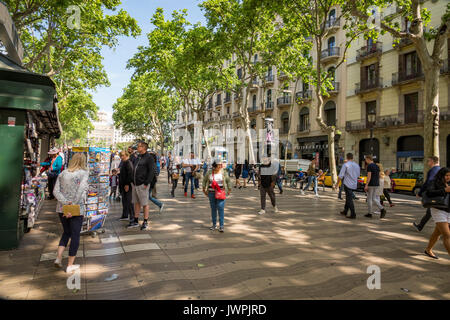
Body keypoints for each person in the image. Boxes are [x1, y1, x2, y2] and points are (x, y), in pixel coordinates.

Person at [52, 153, 89, 273]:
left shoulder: (63, 173)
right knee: (75, 235)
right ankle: (70, 265)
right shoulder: (84, 173)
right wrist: (72, 205)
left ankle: (58, 258)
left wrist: (65, 204)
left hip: (62, 208)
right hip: (76, 209)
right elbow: (80, 190)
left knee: (66, 233)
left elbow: (55, 191)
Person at [423, 167, 450, 259]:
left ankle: (428, 249)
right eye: (446, 175)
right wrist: (444, 190)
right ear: (441, 175)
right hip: (438, 209)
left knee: (437, 233)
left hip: (448, 210)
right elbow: (429, 193)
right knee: (447, 235)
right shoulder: (434, 182)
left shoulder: (448, 183)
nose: (448, 177)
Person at [128, 141, 155, 230]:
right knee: (136, 203)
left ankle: (145, 221)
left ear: (143, 148)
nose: (137, 148)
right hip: (135, 184)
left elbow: (151, 171)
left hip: (143, 184)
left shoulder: (149, 158)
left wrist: (146, 183)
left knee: (145, 203)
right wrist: (132, 181)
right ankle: (135, 220)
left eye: (139, 146)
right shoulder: (138, 157)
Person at [202, 159, 232, 232]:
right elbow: (204, 180)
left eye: (220, 165)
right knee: (213, 209)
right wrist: (204, 189)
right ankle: (214, 225)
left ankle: (221, 226)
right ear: (214, 165)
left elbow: (228, 181)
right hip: (211, 193)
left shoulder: (224, 172)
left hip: (221, 193)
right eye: (218, 165)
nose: (220, 166)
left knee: (221, 209)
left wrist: (229, 189)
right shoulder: (209, 172)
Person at [414, 156, 441, 231]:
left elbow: (428, 182)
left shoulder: (433, 170)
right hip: (439, 194)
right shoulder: (441, 169)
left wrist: (420, 193)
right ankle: (420, 226)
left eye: (428, 161)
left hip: (434, 195)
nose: (427, 163)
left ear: (432, 161)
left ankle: (444, 229)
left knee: (432, 212)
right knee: (430, 212)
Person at [336, 153, 360, 219]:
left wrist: (337, 184)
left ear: (347, 157)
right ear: (352, 157)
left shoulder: (345, 165)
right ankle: (345, 210)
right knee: (348, 197)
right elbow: (358, 175)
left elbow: (341, 175)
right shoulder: (357, 165)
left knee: (349, 199)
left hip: (347, 183)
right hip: (354, 184)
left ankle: (353, 214)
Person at [118, 151, 134, 221]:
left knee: (129, 201)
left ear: (126, 155)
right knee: (125, 201)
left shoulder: (128, 163)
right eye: (120, 156)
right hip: (123, 185)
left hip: (127, 185)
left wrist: (127, 184)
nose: (121, 157)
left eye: (123, 156)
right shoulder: (124, 162)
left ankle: (132, 217)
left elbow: (130, 174)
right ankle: (125, 215)